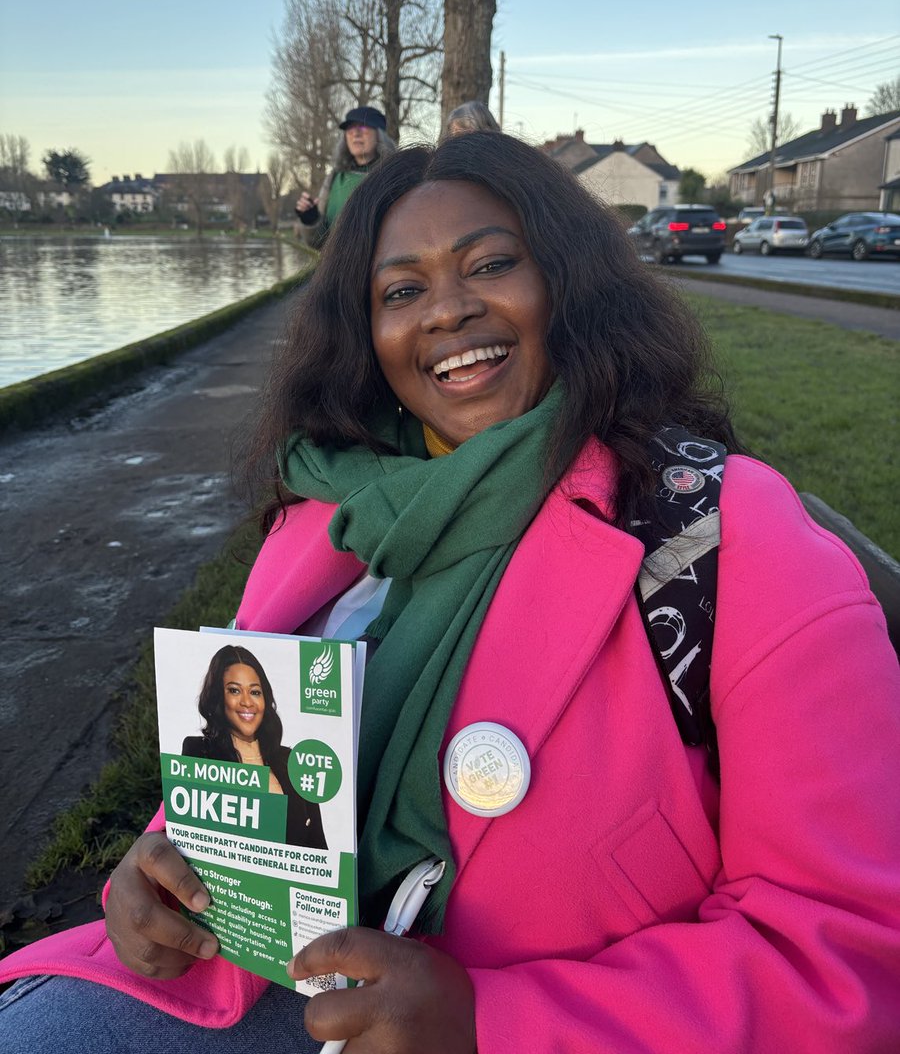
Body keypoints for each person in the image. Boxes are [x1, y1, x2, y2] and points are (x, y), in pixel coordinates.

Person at [2, 133, 899, 1054]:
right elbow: (246, 760)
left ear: (568, 283)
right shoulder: (324, 517)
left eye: (492, 264)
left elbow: (848, 958)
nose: (448, 311)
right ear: (367, 334)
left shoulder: (721, 535)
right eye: (402, 291)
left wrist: (491, 1027)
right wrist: (158, 875)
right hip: (263, 988)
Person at [181, 644, 327, 849]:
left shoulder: (294, 761)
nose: (247, 702)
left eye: (255, 692)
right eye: (234, 690)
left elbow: (319, 848)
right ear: (217, 697)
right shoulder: (199, 752)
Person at [295, 106, 396, 249]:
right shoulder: (334, 178)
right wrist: (311, 219)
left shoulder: (395, 176)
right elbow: (320, 244)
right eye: (349, 128)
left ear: (379, 134)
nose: (356, 133)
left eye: (363, 126)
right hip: (341, 269)